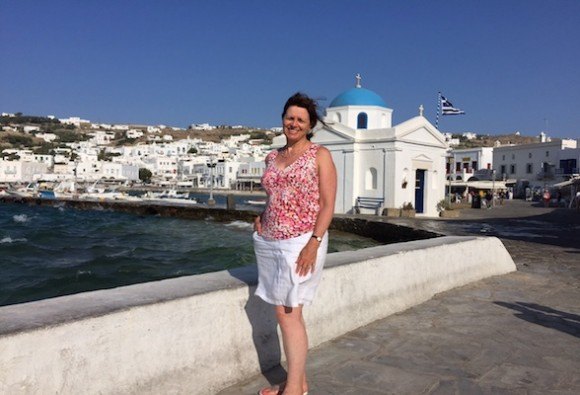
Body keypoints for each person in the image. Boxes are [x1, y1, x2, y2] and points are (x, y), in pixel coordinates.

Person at [253, 92, 337, 395]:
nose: (294, 123)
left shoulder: (320, 155)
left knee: (288, 313)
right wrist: (262, 216)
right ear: (283, 120)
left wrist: (313, 243)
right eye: (290, 117)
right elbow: (274, 195)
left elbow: (328, 204)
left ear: (310, 124)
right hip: (270, 240)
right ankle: (297, 383)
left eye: (301, 119)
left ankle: (293, 389)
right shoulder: (272, 157)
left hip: (302, 240)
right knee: (287, 312)